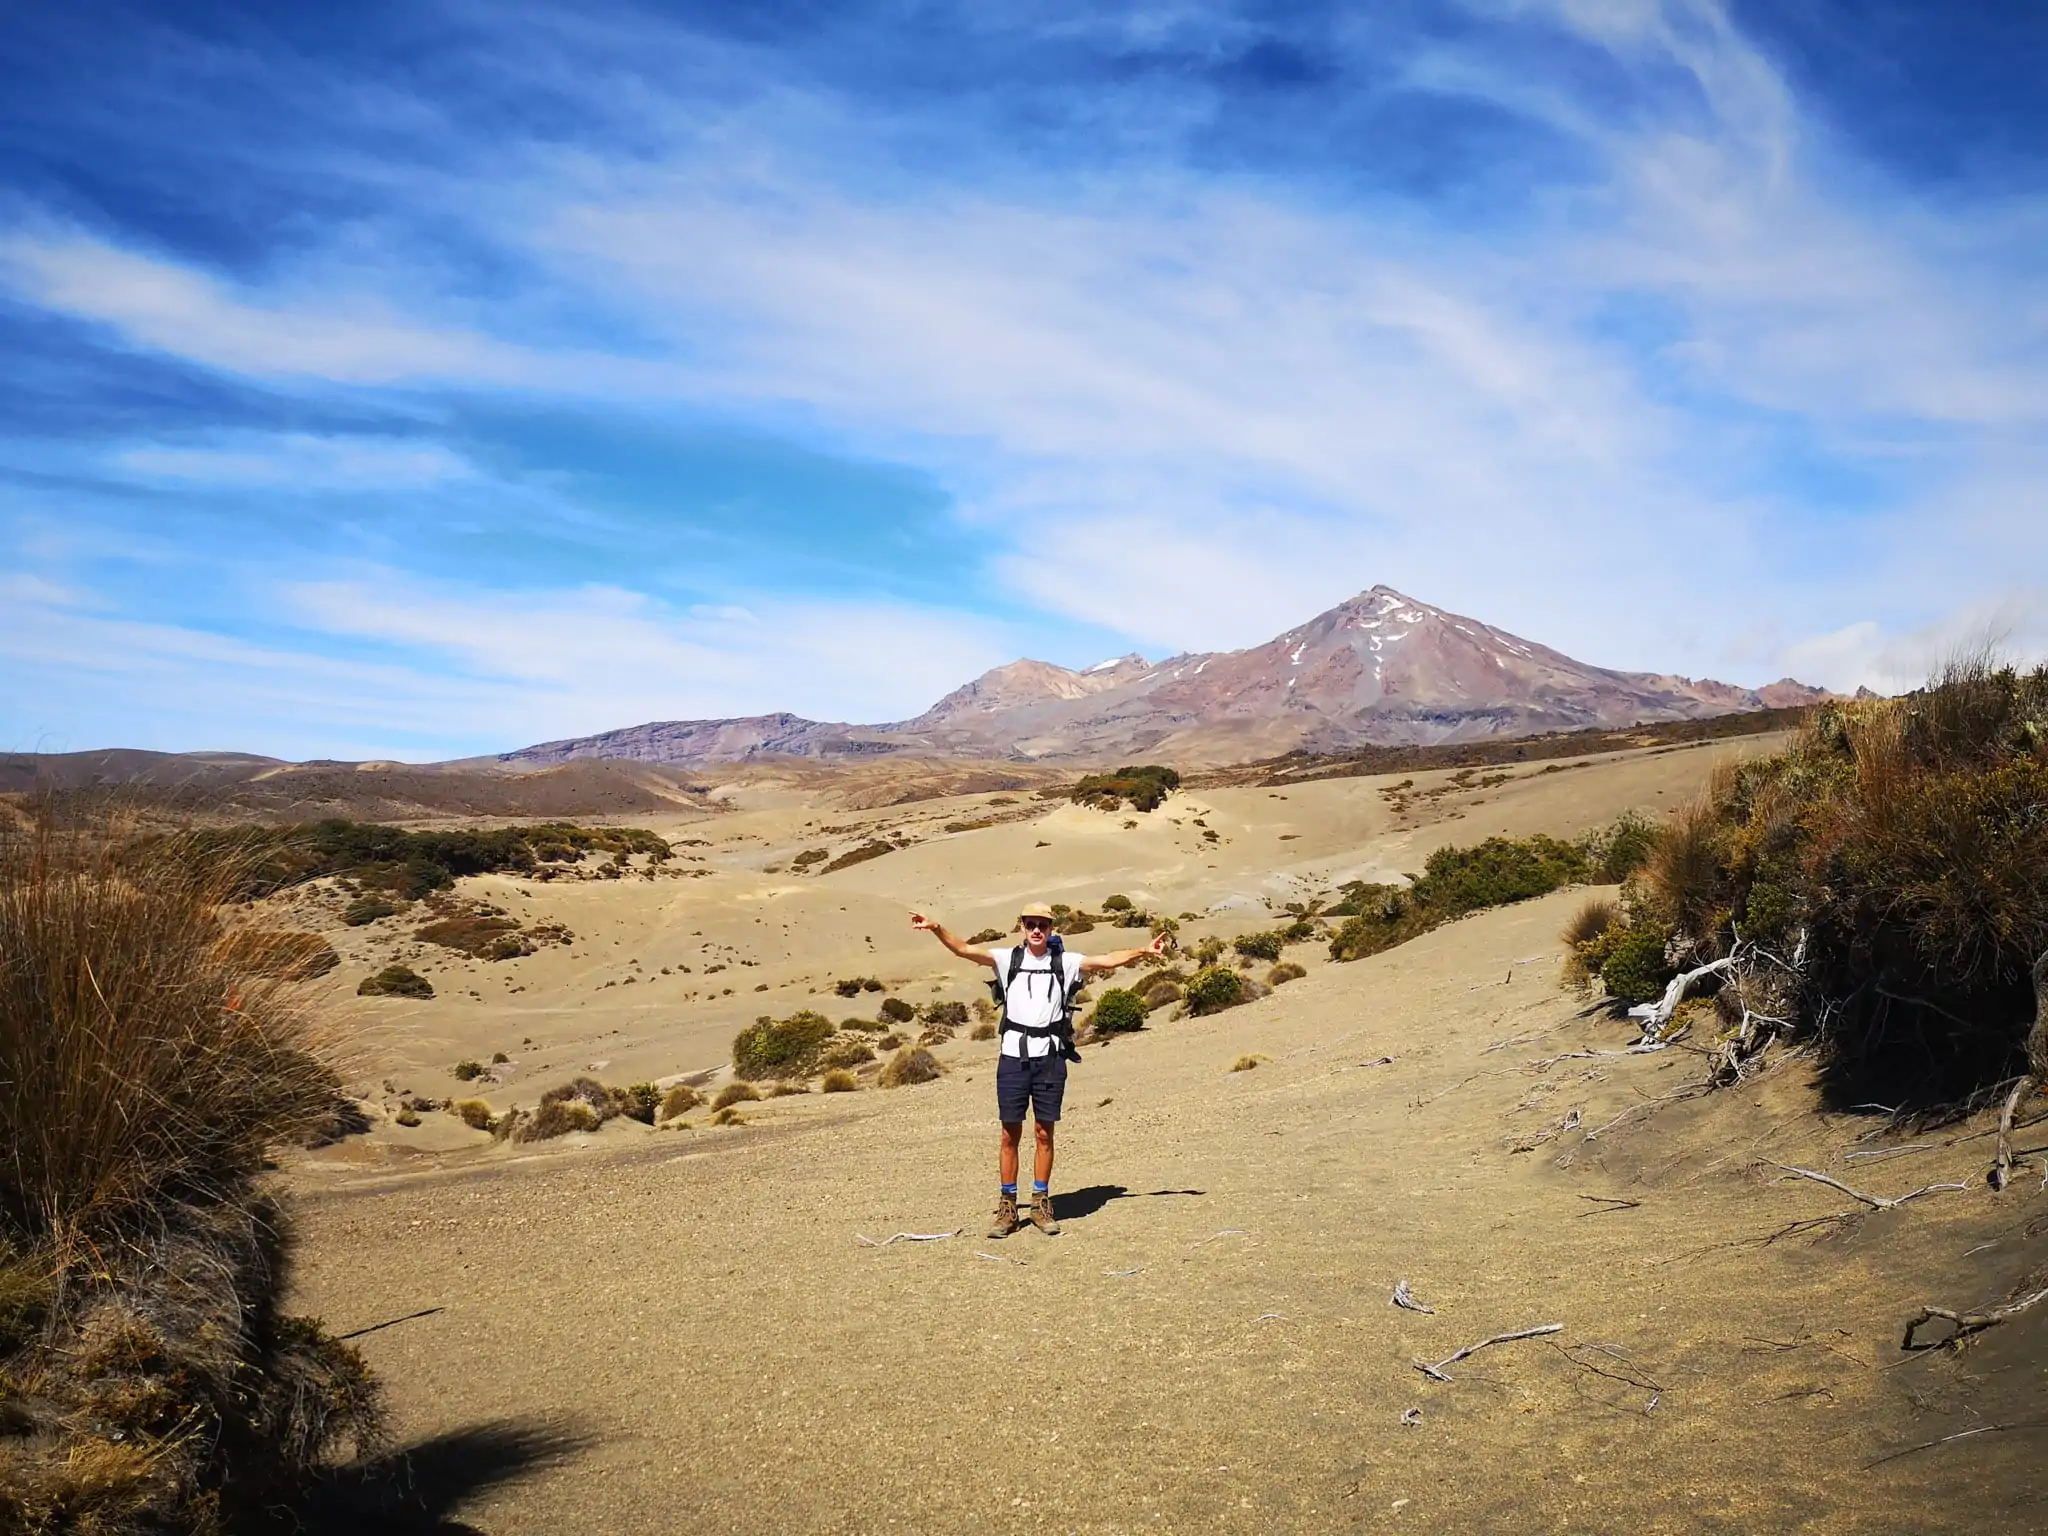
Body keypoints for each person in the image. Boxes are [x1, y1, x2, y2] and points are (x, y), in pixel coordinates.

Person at [910, 903, 1168, 1238]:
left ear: (1051, 928)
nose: (1036, 930)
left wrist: (1144, 951)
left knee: (1044, 1133)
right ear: (1022, 926)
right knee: (1009, 1134)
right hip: (1013, 1058)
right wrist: (936, 927)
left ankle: (1040, 1201)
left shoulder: (1066, 962)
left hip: (1050, 1058)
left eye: (1042, 925)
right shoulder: (1007, 959)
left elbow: (1107, 959)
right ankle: (1008, 1207)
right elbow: (964, 949)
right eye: (1030, 924)